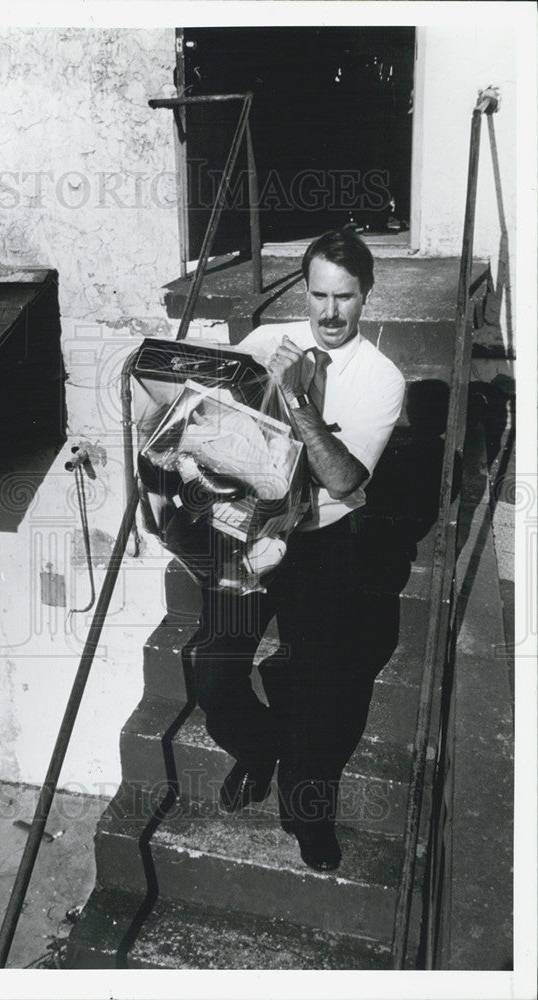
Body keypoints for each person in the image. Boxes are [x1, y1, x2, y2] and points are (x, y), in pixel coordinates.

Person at [191, 228, 405, 871]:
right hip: (252, 533)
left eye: (344, 297)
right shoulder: (264, 342)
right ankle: (258, 750)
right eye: (318, 296)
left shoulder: (380, 379)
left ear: (366, 295)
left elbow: (343, 479)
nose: (329, 313)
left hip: (322, 545)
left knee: (321, 695)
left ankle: (305, 814)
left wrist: (291, 395)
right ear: (305, 292)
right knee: (216, 674)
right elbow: (212, 413)